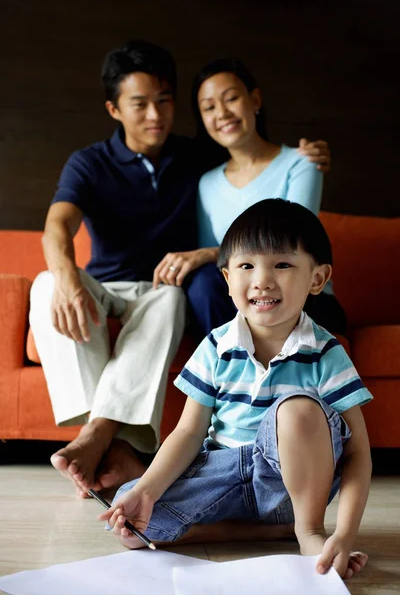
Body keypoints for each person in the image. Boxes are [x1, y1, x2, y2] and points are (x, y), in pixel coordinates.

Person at [29, 40, 330, 499]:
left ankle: (101, 444)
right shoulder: (89, 162)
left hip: (159, 288)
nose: (155, 115)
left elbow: (250, 157)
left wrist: (307, 154)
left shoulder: (194, 157)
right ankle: (104, 438)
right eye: (140, 104)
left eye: (164, 101)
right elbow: (56, 226)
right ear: (114, 109)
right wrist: (68, 281)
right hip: (103, 284)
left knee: (170, 297)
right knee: (47, 281)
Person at [100, 199, 371, 580]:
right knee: (131, 513)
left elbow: (358, 450)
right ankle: (267, 533)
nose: (261, 279)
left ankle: (306, 532)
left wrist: (343, 533)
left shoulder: (326, 353)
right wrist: (147, 489)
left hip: (288, 489)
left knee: (296, 408)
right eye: (246, 266)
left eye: (282, 264)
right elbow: (190, 432)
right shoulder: (215, 346)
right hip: (224, 476)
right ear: (227, 279)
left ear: (317, 279)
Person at [153, 58, 346, 337]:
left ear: (255, 100)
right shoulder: (207, 183)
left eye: (231, 98)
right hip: (245, 302)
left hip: (304, 299)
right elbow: (219, 271)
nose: (222, 113)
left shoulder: (301, 162)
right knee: (205, 283)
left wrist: (209, 253)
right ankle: (228, 373)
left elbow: (292, 242)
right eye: (208, 107)